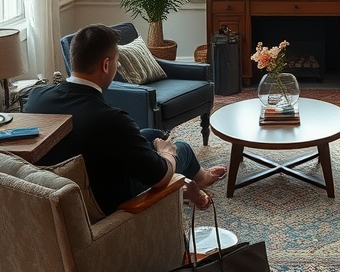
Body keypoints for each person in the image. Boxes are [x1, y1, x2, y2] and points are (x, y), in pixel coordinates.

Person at [24, 24, 226, 215]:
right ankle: (201, 178)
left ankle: (195, 179)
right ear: (106, 64)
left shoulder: (35, 97)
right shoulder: (110, 119)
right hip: (106, 200)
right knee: (179, 147)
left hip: (62, 188)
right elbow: (161, 178)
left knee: (152, 134)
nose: (117, 66)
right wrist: (167, 153)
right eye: (117, 61)